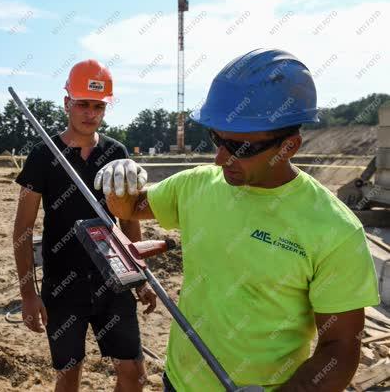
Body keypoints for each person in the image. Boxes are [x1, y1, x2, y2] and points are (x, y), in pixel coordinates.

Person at [97, 48, 379, 391]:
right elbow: (129, 208)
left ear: (289, 146)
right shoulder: (197, 185)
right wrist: (121, 180)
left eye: (240, 147)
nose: (220, 158)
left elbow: (340, 348)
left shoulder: (334, 230)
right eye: (217, 140)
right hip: (179, 380)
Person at [12, 59, 157, 392]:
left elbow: (129, 220)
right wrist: (28, 294)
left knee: (134, 374)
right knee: (69, 375)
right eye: (82, 104)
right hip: (63, 285)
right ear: (67, 103)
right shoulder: (42, 155)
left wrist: (141, 276)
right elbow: (22, 230)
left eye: (98, 106)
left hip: (114, 281)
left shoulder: (117, 153)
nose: (90, 113)